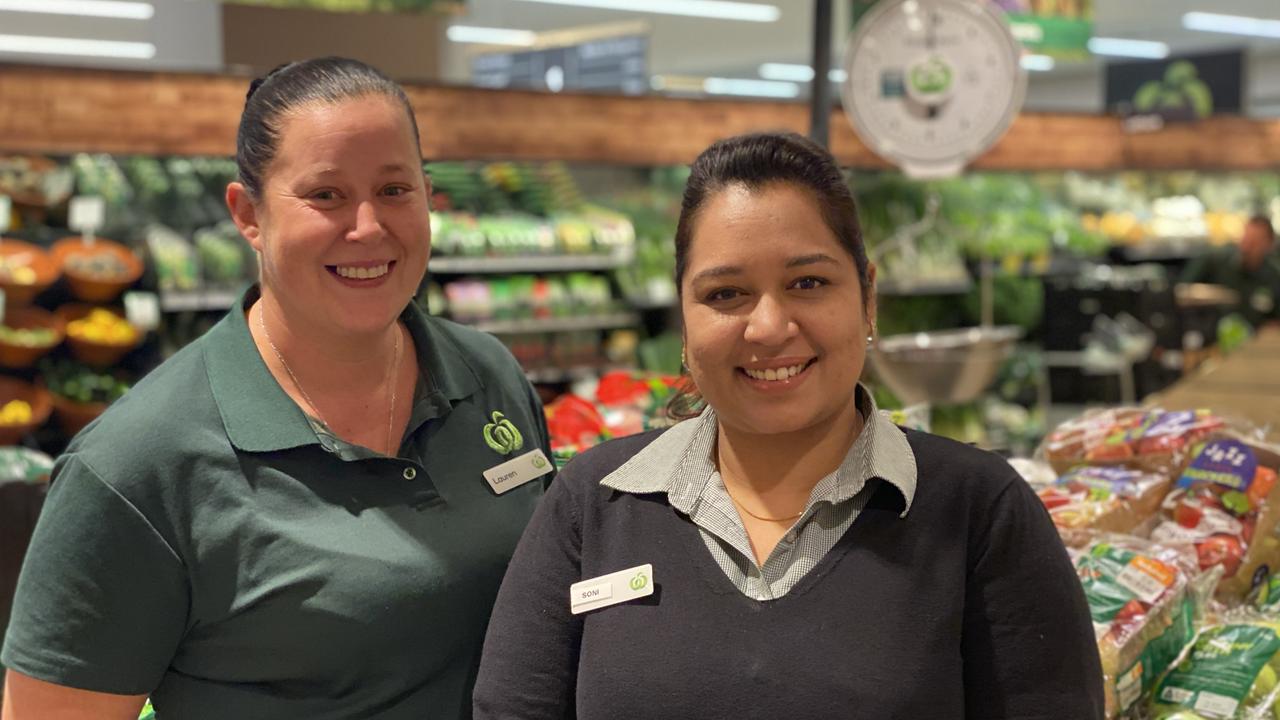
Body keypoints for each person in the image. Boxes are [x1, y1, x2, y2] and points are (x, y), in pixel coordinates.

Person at [473, 132, 1103, 719]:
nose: (769, 327)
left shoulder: (979, 509)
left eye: (808, 282)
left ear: (867, 297)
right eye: (725, 294)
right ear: (684, 320)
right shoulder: (594, 500)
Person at [2, 57, 552, 719]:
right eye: (326, 195)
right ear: (248, 214)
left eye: (396, 190)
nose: (369, 227)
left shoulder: (488, 375)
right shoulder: (136, 466)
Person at [1180, 214, 1280, 328]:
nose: (1246, 247)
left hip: (1254, 340)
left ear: (1269, 245)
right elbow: (1183, 291)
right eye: (1245, 240)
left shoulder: (1273, 277)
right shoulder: (1213, 261)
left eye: (1254, 243)